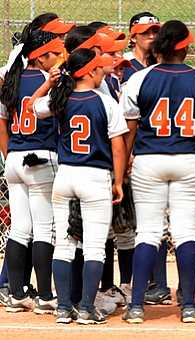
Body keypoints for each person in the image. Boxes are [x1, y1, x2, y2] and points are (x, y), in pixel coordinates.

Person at [120, 20, 195, 324]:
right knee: (185, 232)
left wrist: (124, 165)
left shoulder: (140, 78)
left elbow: (129, 126)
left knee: (148, 232)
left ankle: (136, 306)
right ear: (183, 47)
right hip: (189, 158)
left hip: (149, 159)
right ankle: (188, 306)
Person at [35, 48, 127, 324]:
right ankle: (86, 308)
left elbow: (32, 107)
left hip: (65, 176)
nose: (102, 71)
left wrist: (49, 83)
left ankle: (63, 308)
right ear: (88, 72)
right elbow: (118, 147)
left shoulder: (60, 98)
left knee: (64, 245)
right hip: (94, 177)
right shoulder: (104, 102)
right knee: (95, 247)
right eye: (98, 68)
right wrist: (119, 181)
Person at [0, 30, 65, 315]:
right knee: (44, 229)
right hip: (41, 156)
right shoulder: (46, 81)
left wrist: (8, 154)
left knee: (19, 228)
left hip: (14, 157)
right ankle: (46, 295)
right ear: (40, 56)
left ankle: (16, 294)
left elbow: (2, 123)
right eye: (55, 52)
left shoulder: (11, 80)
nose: (60, 57)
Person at [122, 12, 160, 83]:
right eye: (145, 32)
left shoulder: (163, 62)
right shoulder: (123, 63)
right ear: (133, 37)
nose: (152, 36)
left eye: (155, 32)